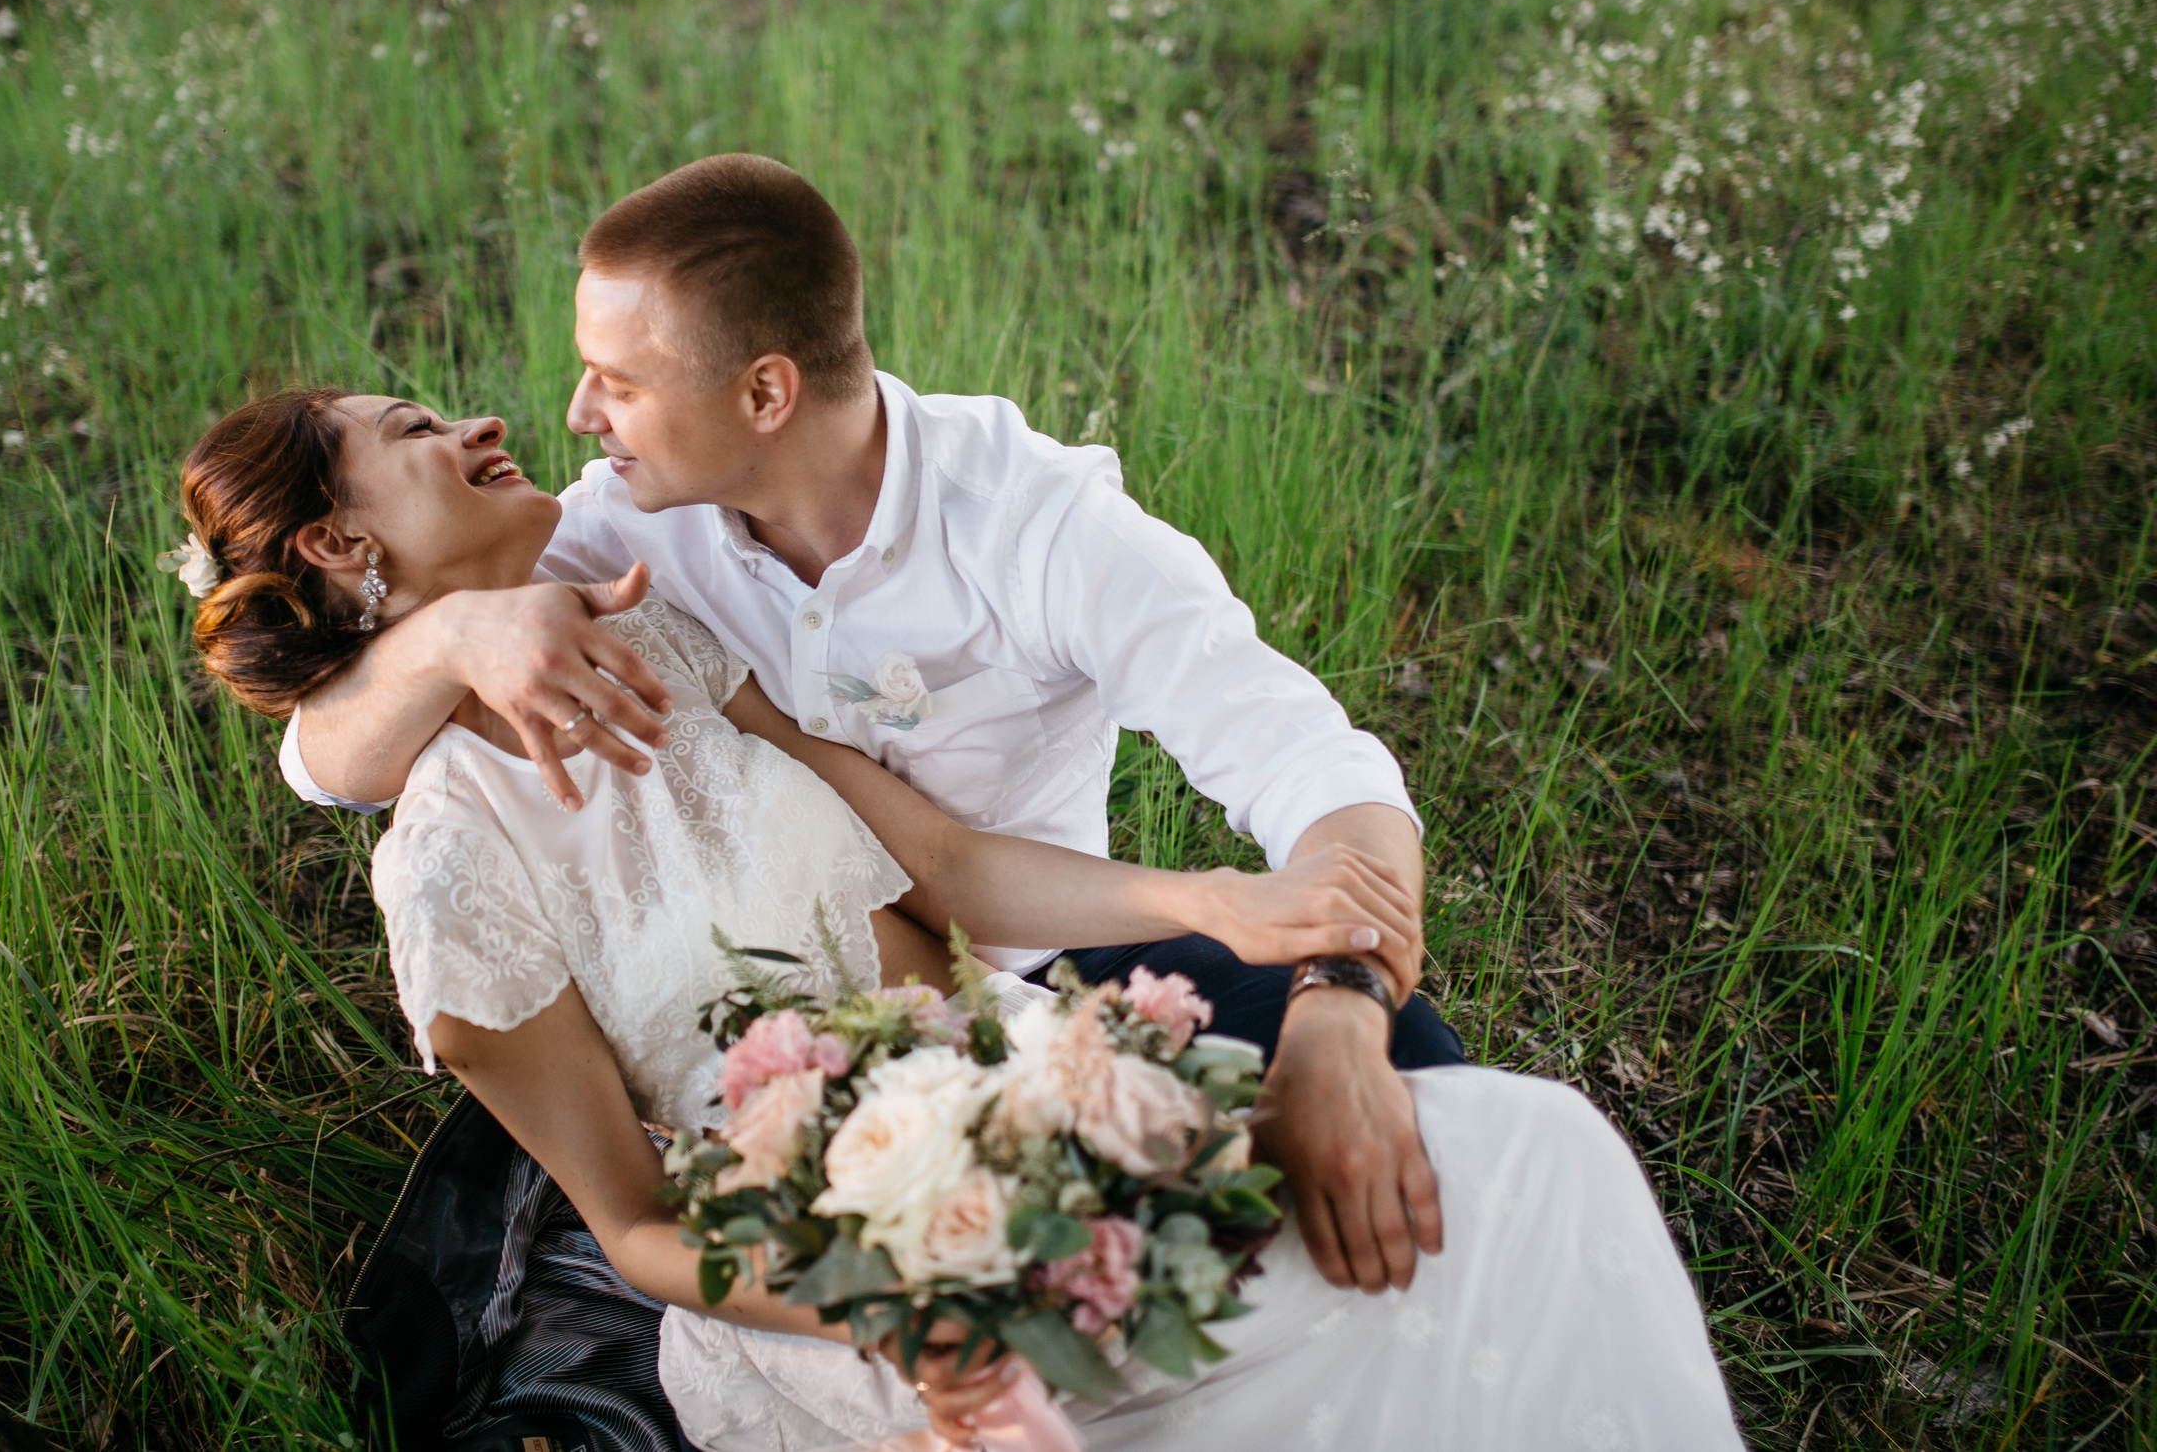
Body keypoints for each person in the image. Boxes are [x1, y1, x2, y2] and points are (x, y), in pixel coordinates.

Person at [166, 386, 1743, 1450]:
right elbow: (638, 1226)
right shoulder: (448, 865)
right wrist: (902, 1297)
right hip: (838, 1260)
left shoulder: (663, 626)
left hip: (1039, 1068)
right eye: (415, 428)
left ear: (768, 386)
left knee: (1530, 1151)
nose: (492, 419)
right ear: (340, 545)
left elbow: (938, 858)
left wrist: (1219, 899)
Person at [282, 154, 1459, 1296]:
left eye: (618, 382)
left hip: (1056, 950)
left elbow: (1311, 765)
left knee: (1413, 1092)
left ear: (765, 393)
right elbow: (324, 761)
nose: (580, 413)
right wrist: (448, 639)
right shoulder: (617, 532)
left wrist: (1340, 1010)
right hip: (777, 1047)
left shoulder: (1036, 530)